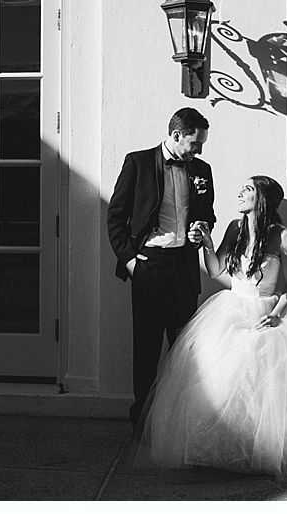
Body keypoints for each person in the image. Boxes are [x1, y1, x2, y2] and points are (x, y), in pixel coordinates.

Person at [135, 176, 287, 479]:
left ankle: (260, 452)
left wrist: (276, 316)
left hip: (268, 311)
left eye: (248, 189)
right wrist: (207, 244)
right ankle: (221, 450)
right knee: (217, 374)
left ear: (262, 199)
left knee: (267, 381)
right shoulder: (234, 228)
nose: (240, 192)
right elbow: (216, 269)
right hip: (231, 309)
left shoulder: (283, 236)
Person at [107, 108, 217, 430]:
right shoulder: (138, 163)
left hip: (185, 267)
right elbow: (116, 218)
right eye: (195, 144)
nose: (199, 151)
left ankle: (181, 426)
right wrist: (131, 262)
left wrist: (201, 228)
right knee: (147, 349)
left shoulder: (202, 170)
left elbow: (208, 214)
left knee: (185, 350)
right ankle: (142, 422)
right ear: (176, 135)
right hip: (150, 267)